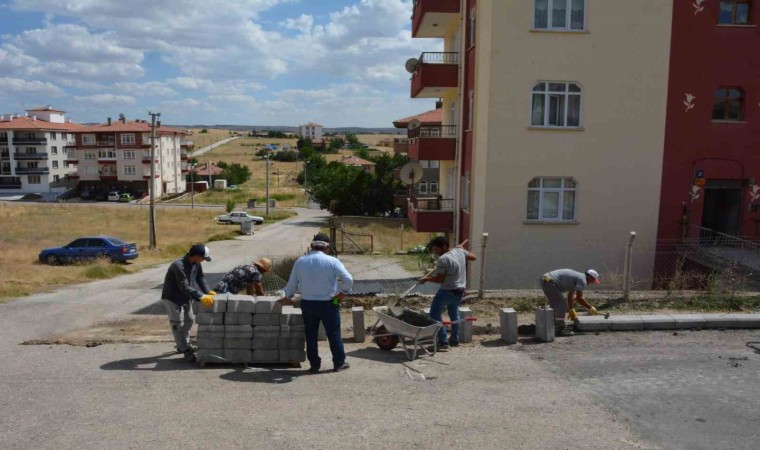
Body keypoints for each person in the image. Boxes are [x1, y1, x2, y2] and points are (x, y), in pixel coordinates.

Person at [278, 233, 353, 373]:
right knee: (333, 334)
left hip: (307, 303)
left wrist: (285, 296)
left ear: (312, 246)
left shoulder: (301, 261)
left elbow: (291, 285)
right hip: (329, 304)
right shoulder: (332, 261)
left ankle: (314, 365)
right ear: (327, 247)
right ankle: (339, 362)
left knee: (311, 335)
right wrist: (340, 296)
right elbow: (348, 280)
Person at [418, 236, 477, 351]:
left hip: (447, 291)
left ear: (444, 246)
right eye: (434, 250)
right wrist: (462, 250)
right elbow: (473, 257)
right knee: (453, 313)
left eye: (436, 249)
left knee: (434, 314)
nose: (435, 252)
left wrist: (426, 279)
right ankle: (454, 340)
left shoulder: (443, 259)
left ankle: (443, 342)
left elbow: (440, 279)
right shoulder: (459, 251)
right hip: (459, 291)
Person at [161, 244, 216, 361]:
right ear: (196, 256)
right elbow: (184, 286)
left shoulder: (196, 263)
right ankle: (184, 349)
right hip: (172, 297)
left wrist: (208, 291)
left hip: (186, 297)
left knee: (190, 320)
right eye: (203, 258)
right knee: (177, 323)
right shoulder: (178, 265)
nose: (203, 261)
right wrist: (201, 296)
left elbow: (200, 278)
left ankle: (183, 345)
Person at [540, 269, 601, 336]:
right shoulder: (582, 280)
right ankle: (559, 329)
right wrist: (590, 307)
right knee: (561, 306)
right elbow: (579, 298)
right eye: (593, 280)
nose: (592, 283)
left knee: (555, 305)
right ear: (590, 277)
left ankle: (550, 326)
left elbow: (570, 295)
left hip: (546, 279)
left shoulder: (578, 277)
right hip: (549, 281)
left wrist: (571, 309)